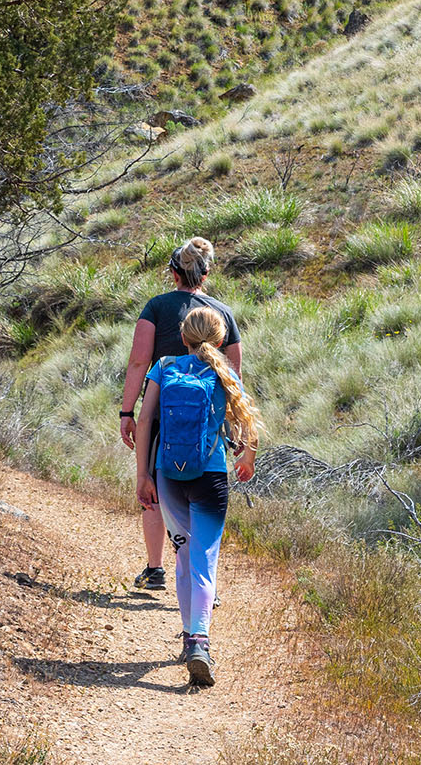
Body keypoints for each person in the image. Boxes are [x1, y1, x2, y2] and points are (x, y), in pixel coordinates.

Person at [135, 305, 261, 687]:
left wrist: (143, 475)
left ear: (183, 337)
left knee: (184, 556)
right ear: (221, 340)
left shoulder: (163, 367)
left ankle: (190, 636)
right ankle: (200, 642)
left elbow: (144, 422)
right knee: (205, 557)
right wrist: (248, 458)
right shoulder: (222, 373)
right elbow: (248, 423)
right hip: (210, 474)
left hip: (169, 474)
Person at [118, 236, 241, 589]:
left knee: (156, 486)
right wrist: (233, 427)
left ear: (174, 274)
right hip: (208, 422)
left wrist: (128, 411)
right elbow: (233, 376)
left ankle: (155, 568)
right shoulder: (223, 313)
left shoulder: (156, 307)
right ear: (206, 273)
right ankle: (201, 578)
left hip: (161, 417)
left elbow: (140, 361)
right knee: (202, 495)